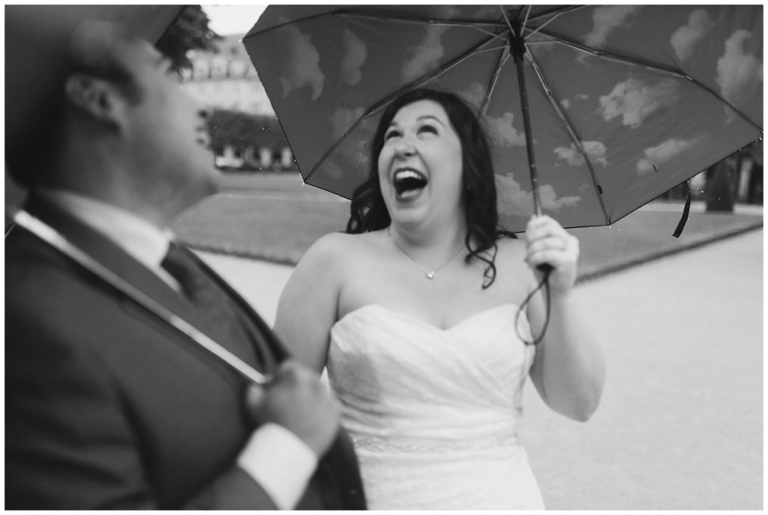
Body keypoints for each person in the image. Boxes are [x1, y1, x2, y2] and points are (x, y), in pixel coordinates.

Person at [4, 9, 365, 510]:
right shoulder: (26, 322)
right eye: (167, 76)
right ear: (98, 99)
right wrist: (288, 445)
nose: (200, 108)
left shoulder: (161, 258)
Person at [273, 88, 606, 509]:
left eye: (426, 131)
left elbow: (578, 403)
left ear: (467, 164)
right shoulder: (332, 261)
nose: (402, 146)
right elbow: (277, 411)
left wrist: (561, 293)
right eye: (392, 137)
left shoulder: (525, 265)